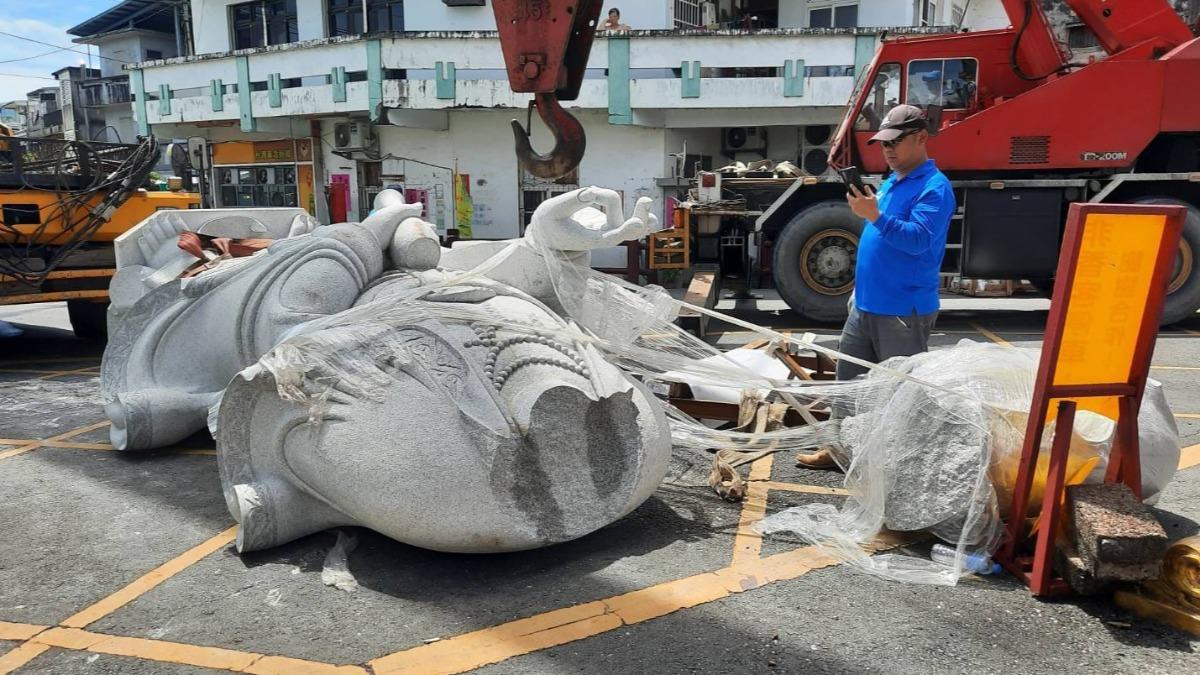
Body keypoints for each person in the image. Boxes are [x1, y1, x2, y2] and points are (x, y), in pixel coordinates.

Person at [796, 104, 956, 469]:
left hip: (902, 310)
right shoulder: (893, 181)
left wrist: (876, 216)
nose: (888, 150)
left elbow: (918, 240)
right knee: (848, 388)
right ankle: (838, 453)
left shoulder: (934, 188)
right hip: (866, 305)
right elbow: (878, 237)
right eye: (884, 144)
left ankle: (901, 468)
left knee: (899, 394)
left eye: (896, 143)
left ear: (921, 138)